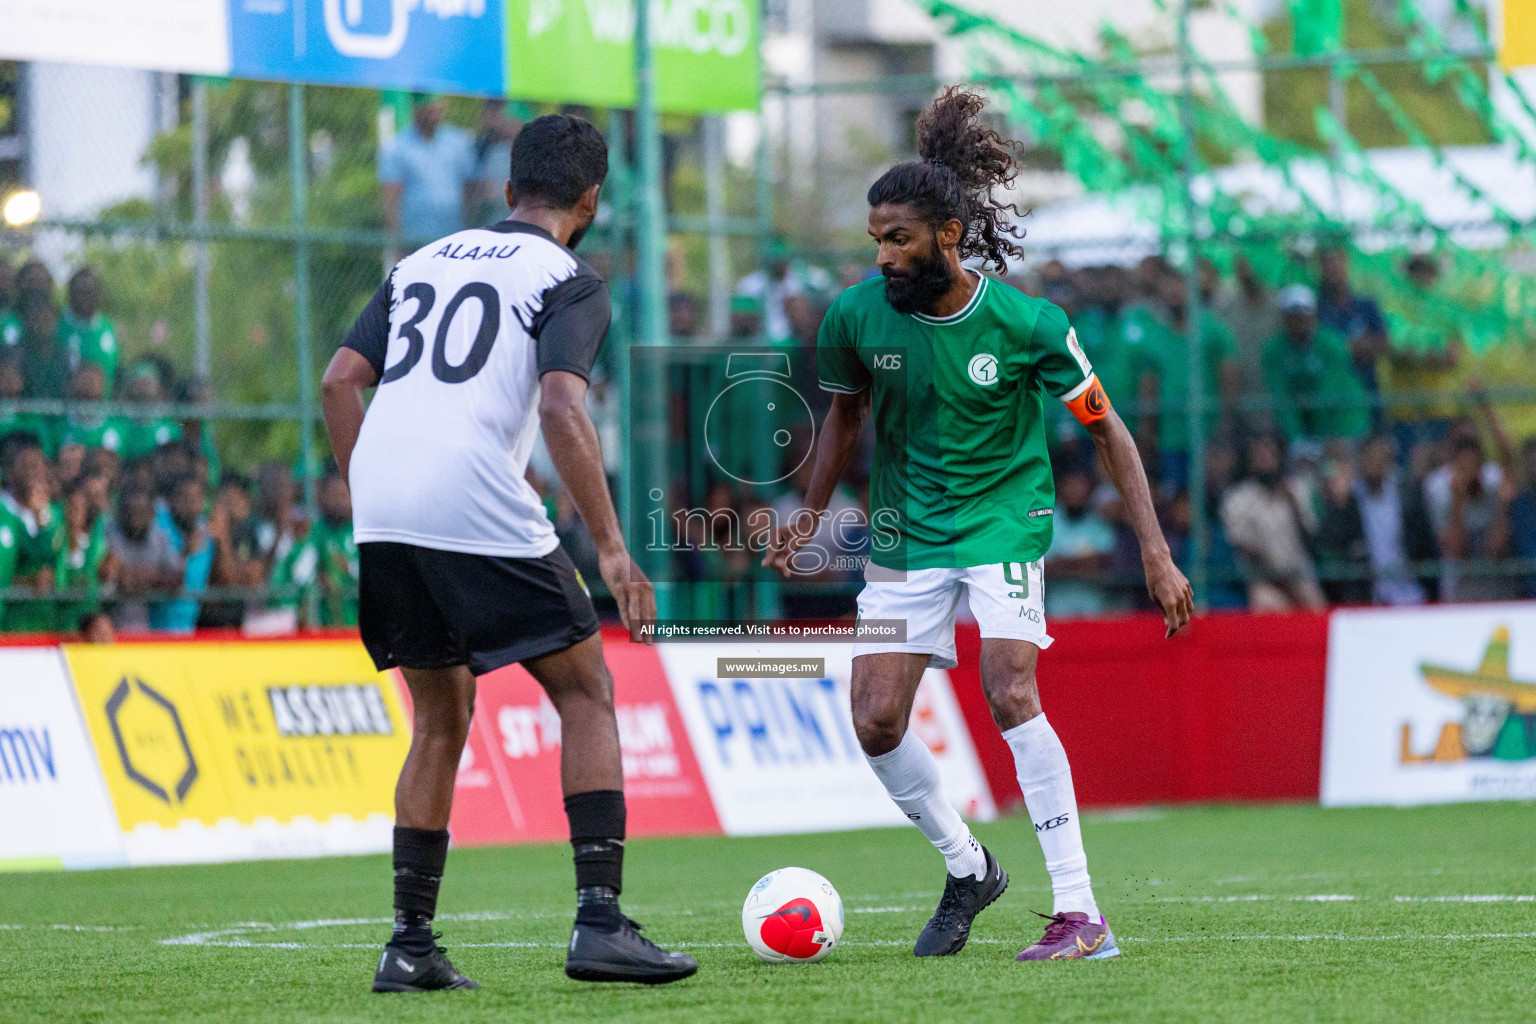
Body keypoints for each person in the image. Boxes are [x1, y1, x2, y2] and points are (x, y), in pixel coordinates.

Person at [764, 88, 1192, 964]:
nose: (882, 255)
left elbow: (1106, 426)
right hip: (906, 533)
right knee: (877, 722)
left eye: (899, 238)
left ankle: (1080, 913)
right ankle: (968, 867)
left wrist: (1154, 550)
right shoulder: (853, 318)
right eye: (875, 238)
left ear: (948, 236)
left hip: (1002, 518)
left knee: (1008, 689)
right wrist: (808, 513)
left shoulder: (1029, 323)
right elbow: (845, 418)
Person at [323, 113, 695, 991]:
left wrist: (372, 481)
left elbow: (342, 380)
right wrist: (611, 548)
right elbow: (563, 409)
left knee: (440, 718)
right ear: (593, 199)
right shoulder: (570, 277)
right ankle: (599, 923)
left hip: (385, 508)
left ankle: (408, 943)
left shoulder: (418, 262)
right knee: (587, 692)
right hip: (471, 501)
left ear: (504, 189)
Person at [1219, 434, 1326, 611]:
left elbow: (1312, 542)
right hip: (1261, 580)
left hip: (1299, 576)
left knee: (1317, 608)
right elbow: (1244, 549)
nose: (1264, 459)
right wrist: (1281, 581)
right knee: (1270, 606)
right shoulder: (1238, 497)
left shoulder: (1296, 489)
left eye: (1269, 452)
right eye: (1258, 454)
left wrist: (1294, 507)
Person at [1261, 284, 1371, 443]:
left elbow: (1329, 393)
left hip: (1344, 421)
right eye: (1293, 315)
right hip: (1307, 425)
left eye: (1304, 313)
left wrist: (1324, 439)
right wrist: (1297, 440)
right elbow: (1281, 397)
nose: (1300, 320)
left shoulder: (1331, 343)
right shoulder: (1274, 350)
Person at [379, 94, 479, 243]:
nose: (433, 116)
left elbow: (471, 188)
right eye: (427, 111)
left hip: (454, 237)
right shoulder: (398, 147)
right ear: (416, 111)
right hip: (415, 239)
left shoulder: (459, 142)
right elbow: (391, 197)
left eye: (436, 110)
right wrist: (397, 242)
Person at [1316, 244, 1390, 414]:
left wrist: (1343, 347)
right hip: (1332, 403)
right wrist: (1356, 346)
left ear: (1346, 263)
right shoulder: (1317, 310)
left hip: (1369, 395)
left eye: (1337, 261)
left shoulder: (1367, 305)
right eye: (1328, 262)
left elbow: (1385, 345)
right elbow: (1320, 352)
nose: (1333, 267)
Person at [1043, 468, 1118, 619]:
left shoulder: (1099, 524)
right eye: (1070, 487)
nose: (1075, 493)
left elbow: (1102, 563)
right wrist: (1082, 563)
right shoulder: (1047, 523)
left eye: (1080, 488)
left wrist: (1063, 562)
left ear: (1089, 492)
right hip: (1055, 613)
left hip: (1093, 611)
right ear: (1061, 490)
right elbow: (1043, 566)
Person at [106, 485, 182, 633]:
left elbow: (177, 578)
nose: (135, 519)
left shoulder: (160, 537)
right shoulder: (109, 534)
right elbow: (113, 576)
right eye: (131, 512)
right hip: (113, 628)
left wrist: (150, 576)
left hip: (153, 630)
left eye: (141, 512)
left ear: (152, 514)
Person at [60, 268, 119, 394]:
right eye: (79, 292)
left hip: (104, 408)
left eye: (89, 292)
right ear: (70, 293)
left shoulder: (109, 328)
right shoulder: (59, 325)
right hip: (66, 408)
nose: (84, 297)